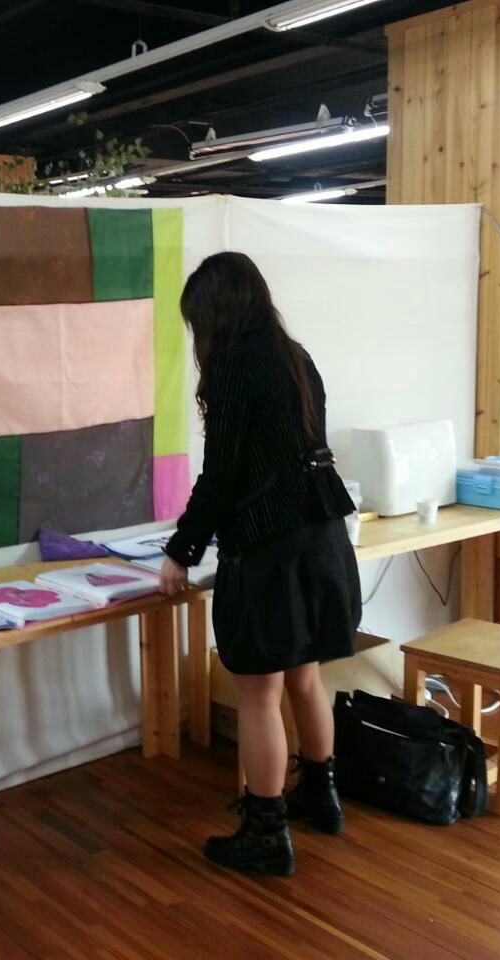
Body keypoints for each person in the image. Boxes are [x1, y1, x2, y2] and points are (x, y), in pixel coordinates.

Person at [158, 253, 361, 877]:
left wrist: (180, 551)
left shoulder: (234, 367)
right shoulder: (296, 357)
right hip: (324, 535)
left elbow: (221, 477)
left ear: (217, 312)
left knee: (257, 693)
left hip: (272, 547)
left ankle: (267, 832)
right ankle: (321, 797)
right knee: (304, 676)